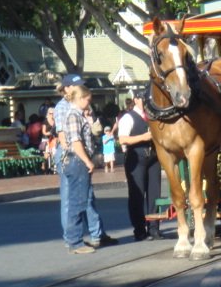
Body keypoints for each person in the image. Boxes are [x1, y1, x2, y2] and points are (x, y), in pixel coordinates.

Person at [54, 74, 117, 250]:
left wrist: (90, 119)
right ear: (68, 89)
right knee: (73, 200)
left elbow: (94, 131)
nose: (89, 103)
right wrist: (82, 158)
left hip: (82, 157)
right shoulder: (65, 110)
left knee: (86, 198)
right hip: (75, 158)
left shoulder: (81, 111)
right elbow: (70, 139)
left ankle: (95, 234)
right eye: (87, 100)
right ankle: (73, 239)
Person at [118, 91, 162, 241]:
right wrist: (143, 137)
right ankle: (139, 229)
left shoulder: (153, 116)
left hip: (154, 157)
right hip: (136, 157)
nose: (146, 102)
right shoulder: (128, 117)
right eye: (144, 99)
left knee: (155, 193)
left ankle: (154, 228)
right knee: (137, 195)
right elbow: (122, 139)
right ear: (136, 100)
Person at [41, 108, 57, 173]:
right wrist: (49, 133)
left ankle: (53, 167)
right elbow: (43, 132)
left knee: (54, 153)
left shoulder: (55, 121)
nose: (52, 115)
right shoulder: (45, 121)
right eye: (50, 113)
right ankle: (44, 165)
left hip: (53, 139)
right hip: (46, 139)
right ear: (48, 113)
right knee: (47, 154)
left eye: (53, 113)